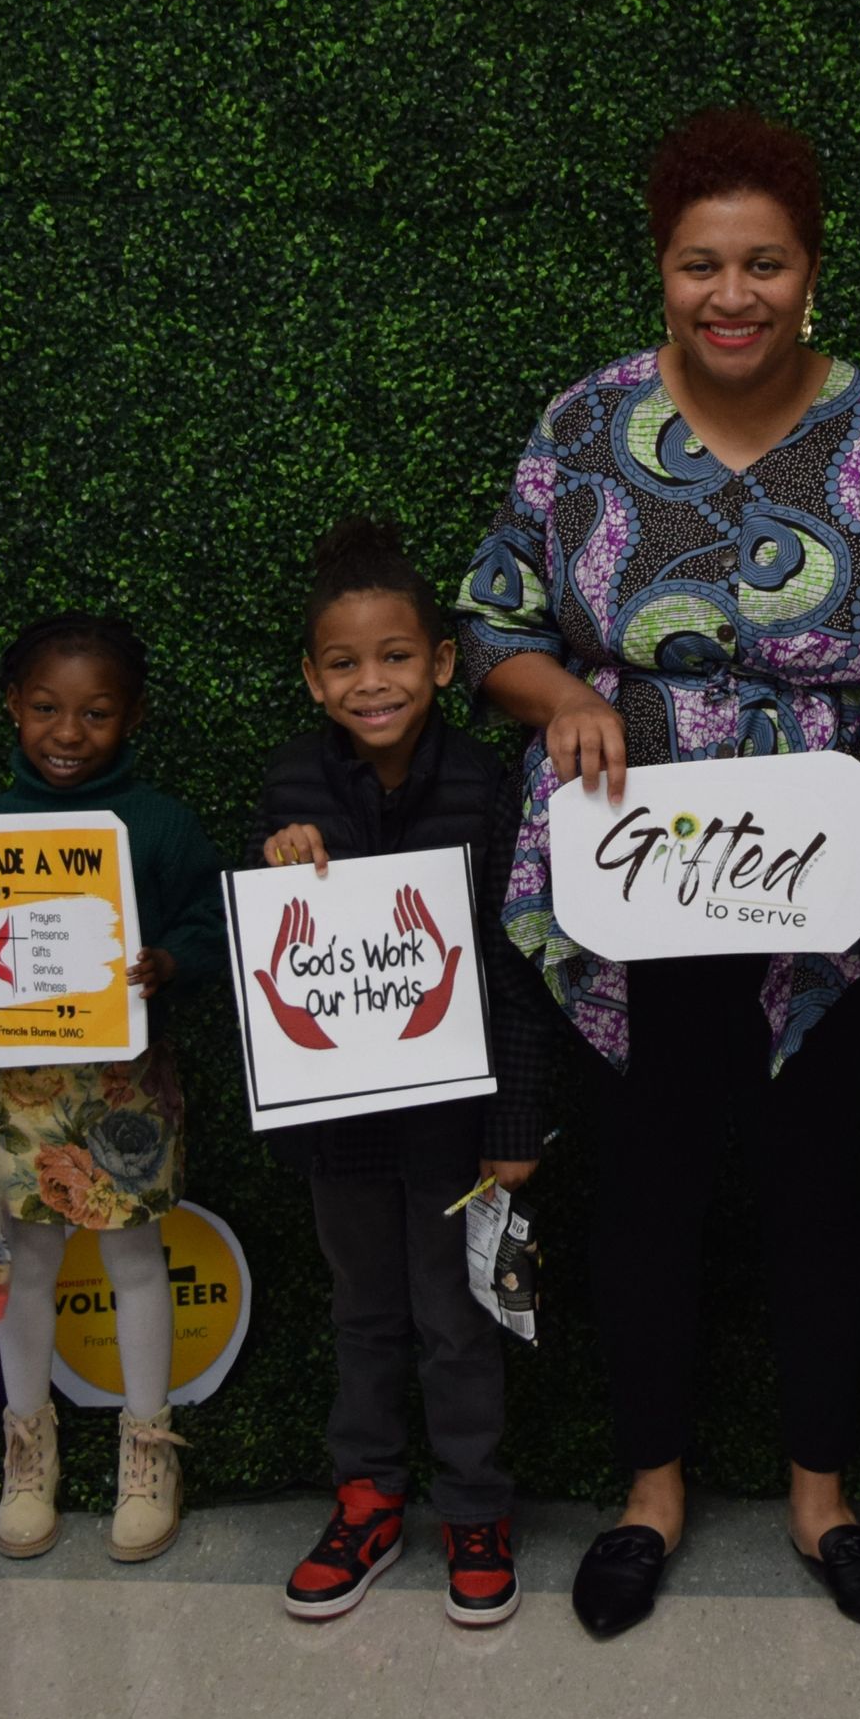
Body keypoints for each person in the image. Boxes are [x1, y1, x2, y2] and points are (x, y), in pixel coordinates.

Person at [458, 106, 860, 1640]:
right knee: (647, 1188)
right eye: (701, 264)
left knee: (821, 1188)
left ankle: (823, 1498)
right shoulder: (584, 426)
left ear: (811, 269)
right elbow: (491, 625)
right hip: (634, 878)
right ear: (661, 267)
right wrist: (567, 693)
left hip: (827, 892)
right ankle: (652, 1492)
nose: (731, 294)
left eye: (764, 263)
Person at [250, 517, 561, 1629]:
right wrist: (280, 865)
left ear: (440, 662)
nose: (371, 682)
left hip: (456, 1125)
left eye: (395, 657)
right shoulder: (291, 780)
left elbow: (521, 966)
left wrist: (514, 1125)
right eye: (344, 663)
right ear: (313, 677)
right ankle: (369, 1499)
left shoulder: (488, 782)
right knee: (364, 1315)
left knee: (458, 1320)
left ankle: (475, 1509)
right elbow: (274, 953)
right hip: (339, 1122)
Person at [0, 614, 224, 1563]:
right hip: (13, 1091)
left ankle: (149, 1450)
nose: (68, 732)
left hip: (123, 1090)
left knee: (136, 1261)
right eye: (46, 708)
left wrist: (171, 962)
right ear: (14, 706)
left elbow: (210, 925)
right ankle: (27, 1452)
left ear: (133, 717)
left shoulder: (160, 824)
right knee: (25, 1267)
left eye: (96, 713)